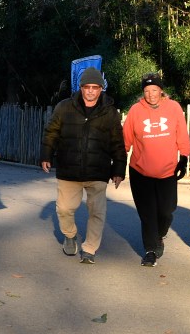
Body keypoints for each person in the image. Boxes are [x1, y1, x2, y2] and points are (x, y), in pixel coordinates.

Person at [40, 67, 127, 264]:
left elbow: (117, 143)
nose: (90, 91)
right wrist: (46, 154)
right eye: (86, 87)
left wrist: (119, 169)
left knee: (97, 211)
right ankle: (69, 235)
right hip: (69, 169)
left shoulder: (110, 113)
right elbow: (51, 132)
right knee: (64, 208)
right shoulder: (64, 107)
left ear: (100, 89)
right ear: (81, 88)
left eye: (94, 87)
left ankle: (90, 248)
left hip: (98, 170)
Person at [122, 73, 190, 267]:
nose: (151, 94)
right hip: (140, 171)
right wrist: (119, 162)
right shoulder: (136, 110)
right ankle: (151, 250)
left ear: (161, 90)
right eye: (146, 91)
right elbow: (126, 138)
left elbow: (182, 134)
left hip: (167, 171)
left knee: (166, 211)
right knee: (147, 213)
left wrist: (184, 158)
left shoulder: (174, 107)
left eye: (154, 90)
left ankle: (160, 234)